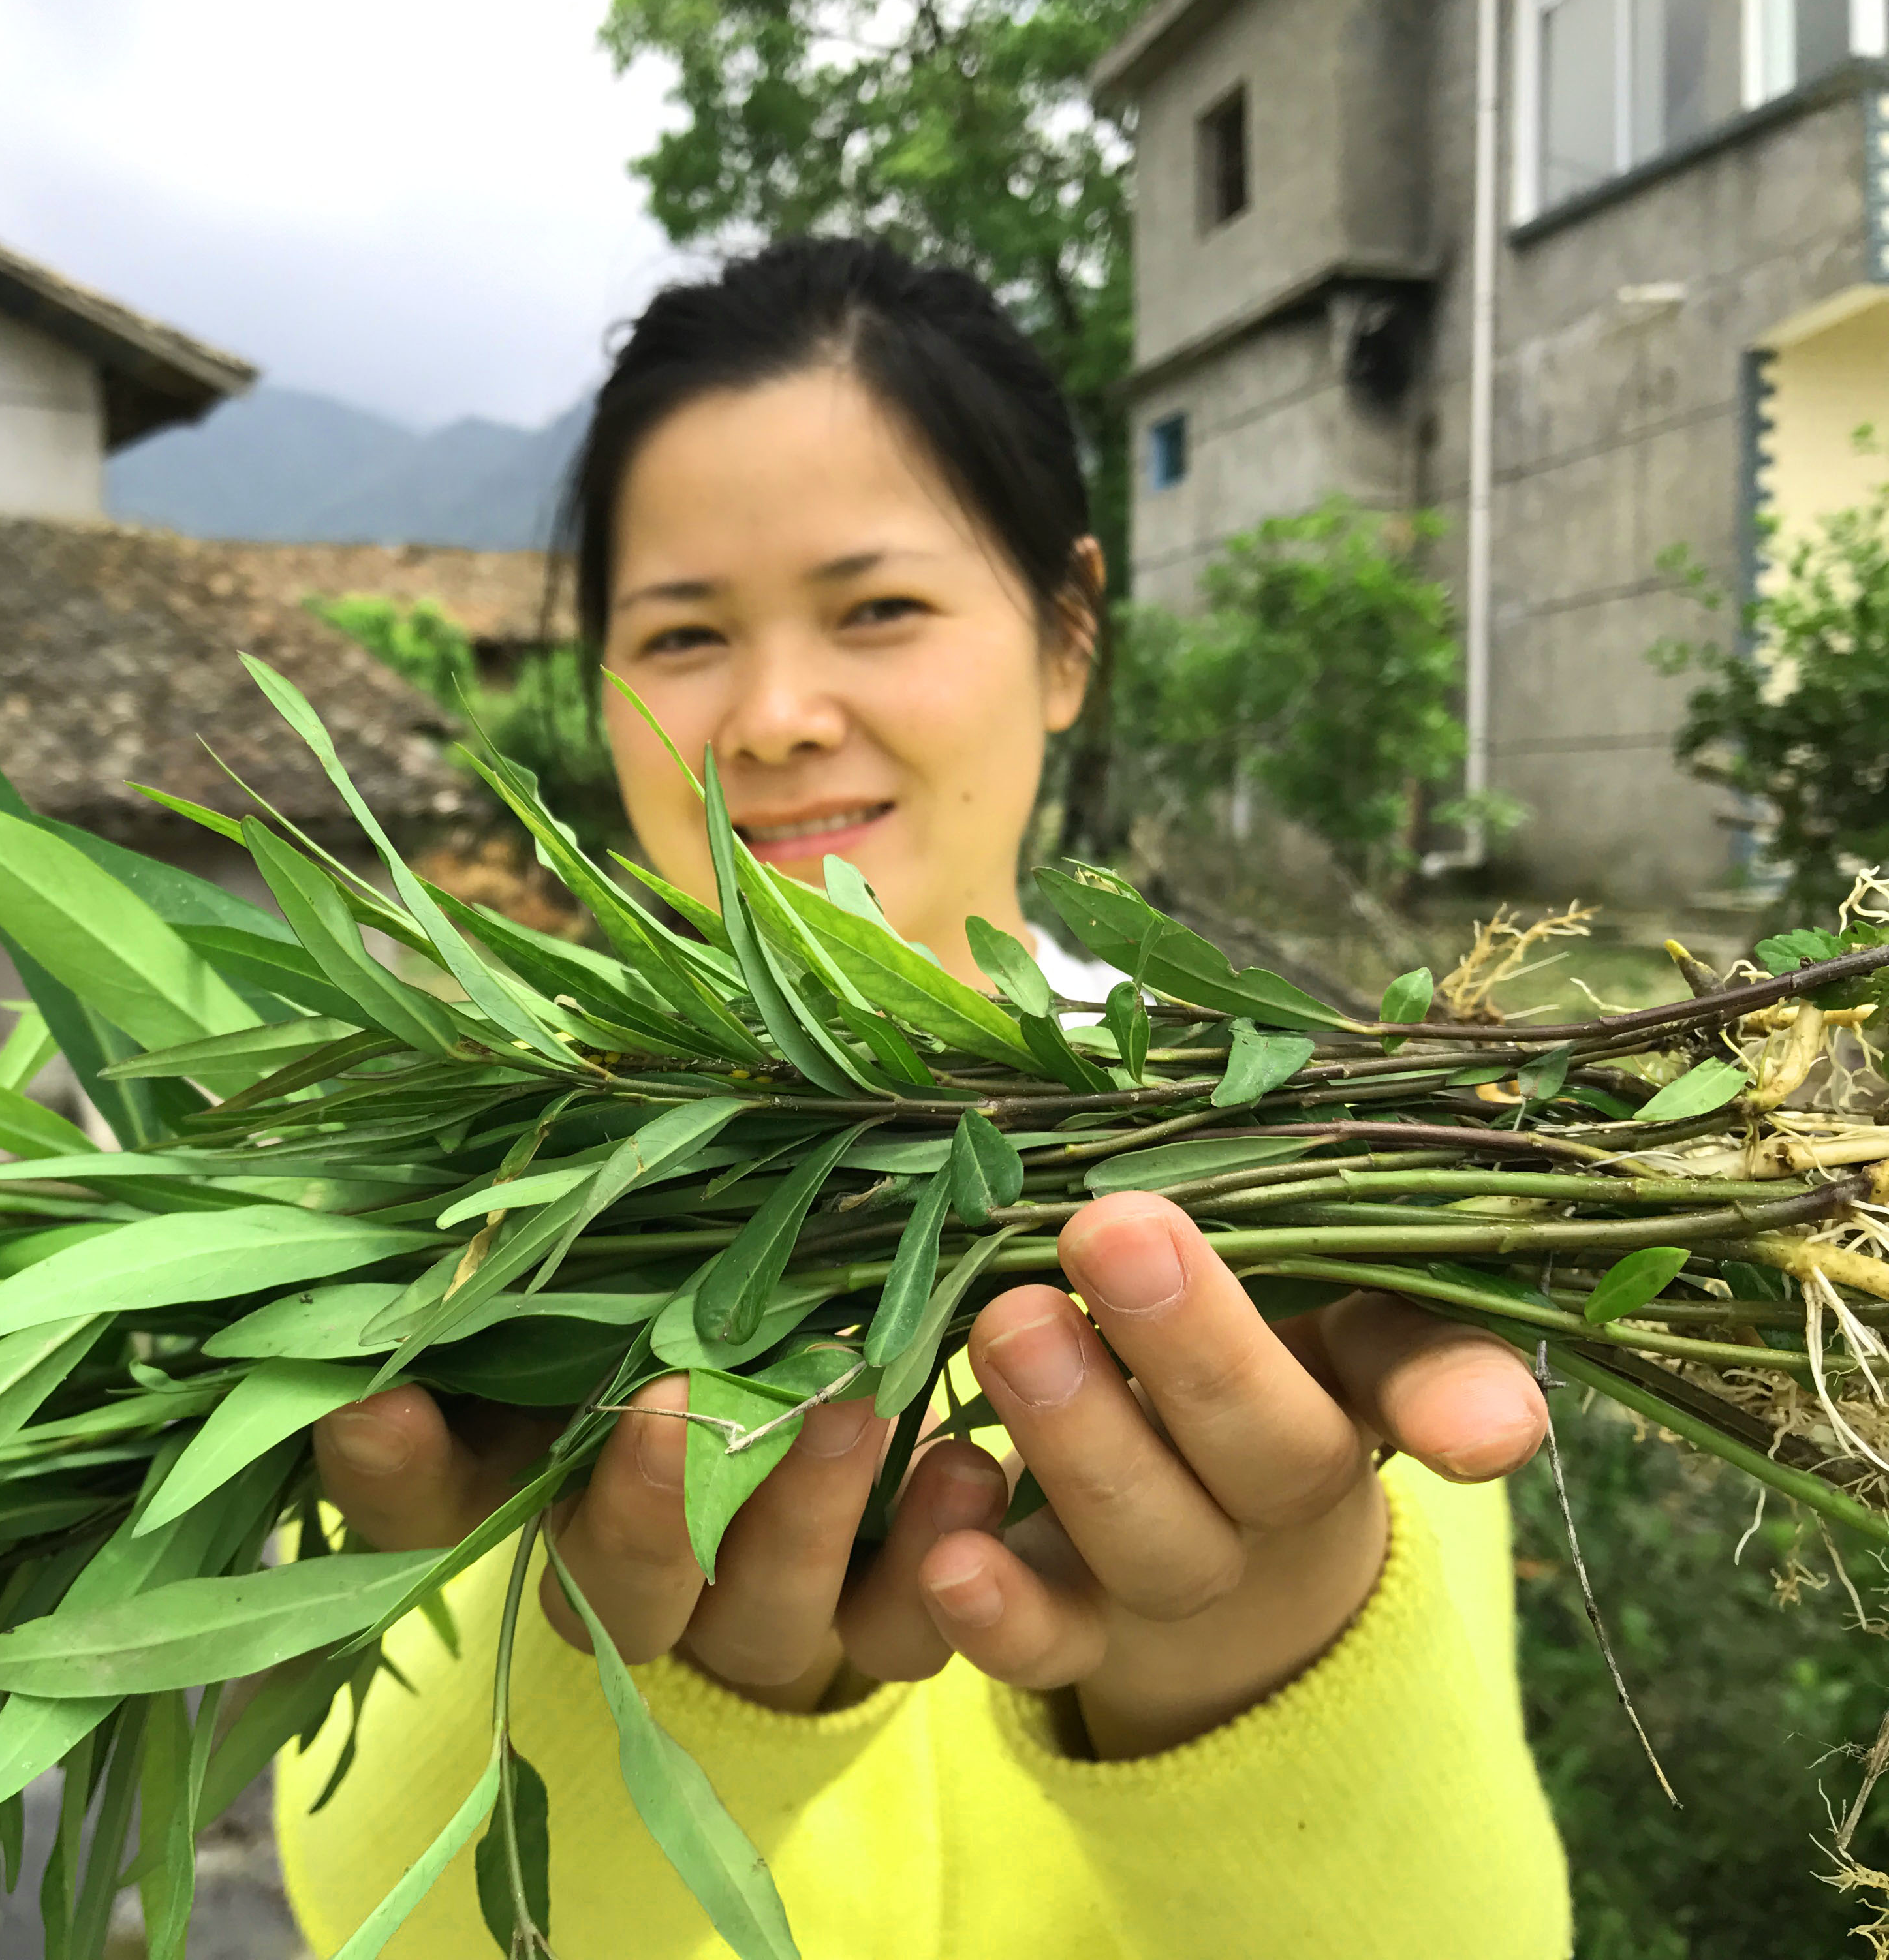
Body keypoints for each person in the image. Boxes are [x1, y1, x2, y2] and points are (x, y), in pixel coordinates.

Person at [274, 239, 1571, 1957]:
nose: (779, 716)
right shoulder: (481, 1203)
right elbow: (378, 1902)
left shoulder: (1299, 1192)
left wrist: (1268, 1671)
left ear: (1067, 634)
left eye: (878, 608)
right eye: (681, 635)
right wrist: (631, 1701)